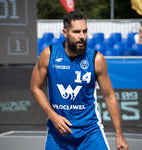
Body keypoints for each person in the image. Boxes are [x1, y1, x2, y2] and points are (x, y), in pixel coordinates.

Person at [30, 10, 129, 150]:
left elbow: (109, 96)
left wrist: (119, 136)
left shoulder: (96, 59)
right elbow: (35, 87)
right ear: (65, 33)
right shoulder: (49, 54)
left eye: (85, 31)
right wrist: (52, 116)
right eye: (76, 32)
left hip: (90, 133)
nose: (82, 36)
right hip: (58, 134)